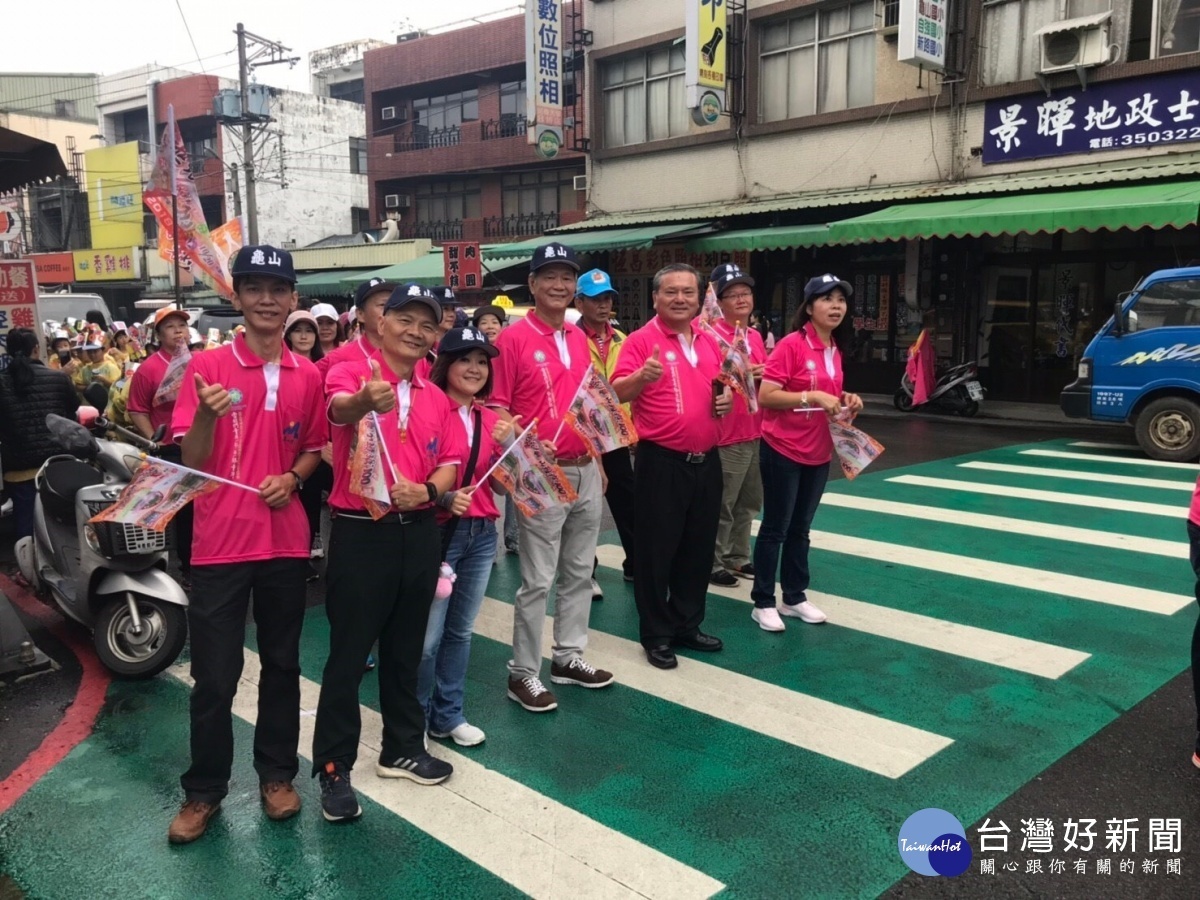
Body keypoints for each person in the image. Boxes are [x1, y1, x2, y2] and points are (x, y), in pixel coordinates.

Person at [167, 244, 325, 844]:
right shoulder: (206, 367)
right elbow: (192, 459)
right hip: (219, 546)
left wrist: (294, 478)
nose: (266, 298)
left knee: (283, 666)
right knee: (215, 676)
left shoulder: (307, 373)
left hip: (285, 544)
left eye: (277, 288)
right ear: (236, 296)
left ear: (292, 300)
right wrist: (206, 416)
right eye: (254, 287)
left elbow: (313, 446)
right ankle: (204, 791)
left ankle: (277, 776)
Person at [313, 283, 465, 822]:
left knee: (406, 649)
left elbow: (450, 461)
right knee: (349, 655)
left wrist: (427, 491)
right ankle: (333, 768)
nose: (416, 332)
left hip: (419, 530)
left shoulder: (437, 397)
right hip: (360, 530)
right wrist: (364, 402)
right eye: (406, 320)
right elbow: (336, 410)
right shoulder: (350, 371)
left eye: (428, 326)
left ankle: (402, 747)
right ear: (382, 322)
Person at [489, 242, 613, 712]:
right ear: (534, 284)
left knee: (580, 570)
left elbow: (589, 405)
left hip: (584, 468)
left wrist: (598, 460)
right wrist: (514, 455)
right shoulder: (512, 340)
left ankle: (568, 655)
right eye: (550, 277)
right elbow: (496, 407)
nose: (560, 285)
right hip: (540, 472)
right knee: (537, 579)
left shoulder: (580, 338)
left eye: (568, 278)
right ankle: (523, 672)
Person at [613, 264, 731, 670]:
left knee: (697, 548)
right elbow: (614, 393)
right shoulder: (640, 342)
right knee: (655, 551)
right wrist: (642, 378)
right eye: (671, 292)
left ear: (699, 299)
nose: (680, 299)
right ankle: (657, 634)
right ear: (655, 298)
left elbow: (720, 389)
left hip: (706, 460)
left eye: (688, 292)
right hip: (661, 461)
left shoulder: (709, 341)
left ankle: (686, 623)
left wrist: (726, 402)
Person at [751, 274, 864, 631]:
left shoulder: (834, 348)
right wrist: (811, 397)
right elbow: (767, 396)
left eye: (841, 300)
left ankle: (794, 597)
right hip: (782, 448)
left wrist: (847, 400)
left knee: (801, 528)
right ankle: (763, 601)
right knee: (776, 527)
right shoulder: (790, 345)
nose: (836, 306)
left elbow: (830, 393)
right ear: (809, 307)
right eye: (827, 299)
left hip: (818, 451)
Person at [419, 325, 514, 747]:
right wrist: (444, 498)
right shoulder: (426, 409)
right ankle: (414, 720)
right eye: (464, 359)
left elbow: (500, 485)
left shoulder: (491, 419)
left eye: (481, 361)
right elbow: (414, 475)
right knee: (426, 639)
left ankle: (448, 714)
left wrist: (511, 448)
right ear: (445, 364)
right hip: (439, 537)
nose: (474, 368)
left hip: (481, 535)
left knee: (460, 632)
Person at [574, 268, 637, 595]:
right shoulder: (570, 341)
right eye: (596, 299)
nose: (603, 305)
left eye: (608, 298)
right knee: (586, 510)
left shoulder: (623, 340)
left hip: (616, 436)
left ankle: (634, 563)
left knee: (627, 502)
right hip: (581, 437)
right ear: (580, 302)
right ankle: (588, 572)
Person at [707, 264, 768, 591]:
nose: (742, 299)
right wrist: (741, 374)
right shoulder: (708, 334)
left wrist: (759, 374)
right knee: (723, 503)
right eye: (733, 294)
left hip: (755, 429)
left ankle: (738, 554)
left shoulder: (755, 335)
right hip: (727, 433)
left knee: (749, 500)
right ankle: (712, 560)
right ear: (719, 299)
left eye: (746, 292)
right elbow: (706, 379)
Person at [128, 307, 195, 585]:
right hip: (168, 449)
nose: (179, 330)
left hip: (198, 446)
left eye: (182, 325)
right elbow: (136, 408)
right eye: (170, 326)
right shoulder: (149, 368)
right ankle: (173, 568)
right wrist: (152, 440)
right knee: (173, 512)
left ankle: (198, 565)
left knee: (199, 509)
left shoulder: (199, 362)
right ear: (158, 335)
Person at [0, 328, 80, 539]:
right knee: (65, 527)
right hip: (58, 465)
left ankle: (27, 570)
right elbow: (73, 413)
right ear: (36, 349)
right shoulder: (59, 379)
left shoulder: (2, 382)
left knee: (26, 526)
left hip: (18, 470)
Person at [285, 309, 330, 562]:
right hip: (290, 445)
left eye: (309, 330)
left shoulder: (325, 367)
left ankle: (312, 539)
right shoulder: (278, 366)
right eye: (297, 330)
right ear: (288, 335)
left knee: (311, 497)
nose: (303, 336)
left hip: (321, 445)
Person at [316, 279, 397, 382]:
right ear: (360, 314)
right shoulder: (337, 358)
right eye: (383, 305)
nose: (391, 310)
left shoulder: (413, 358)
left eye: (395, 304)